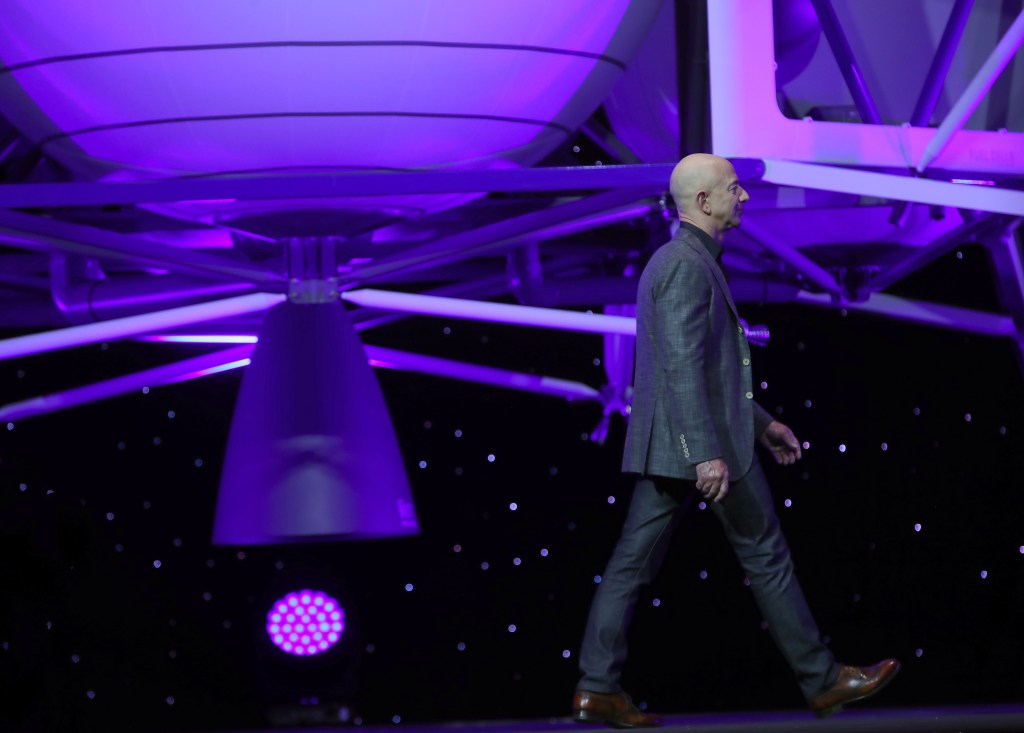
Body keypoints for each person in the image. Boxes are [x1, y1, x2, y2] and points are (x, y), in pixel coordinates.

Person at [571, 154, 899, 727]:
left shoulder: (691, 260)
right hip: (698, 444)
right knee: (763, 556)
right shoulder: (684, 265)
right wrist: (706, 452)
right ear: (703, 201)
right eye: (733, 188)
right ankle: (822, 681)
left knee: (632, 565)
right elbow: (680, 367)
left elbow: (713, 370)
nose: (743, 197)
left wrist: (763, 423)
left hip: (689, 440)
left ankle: (596, 688)